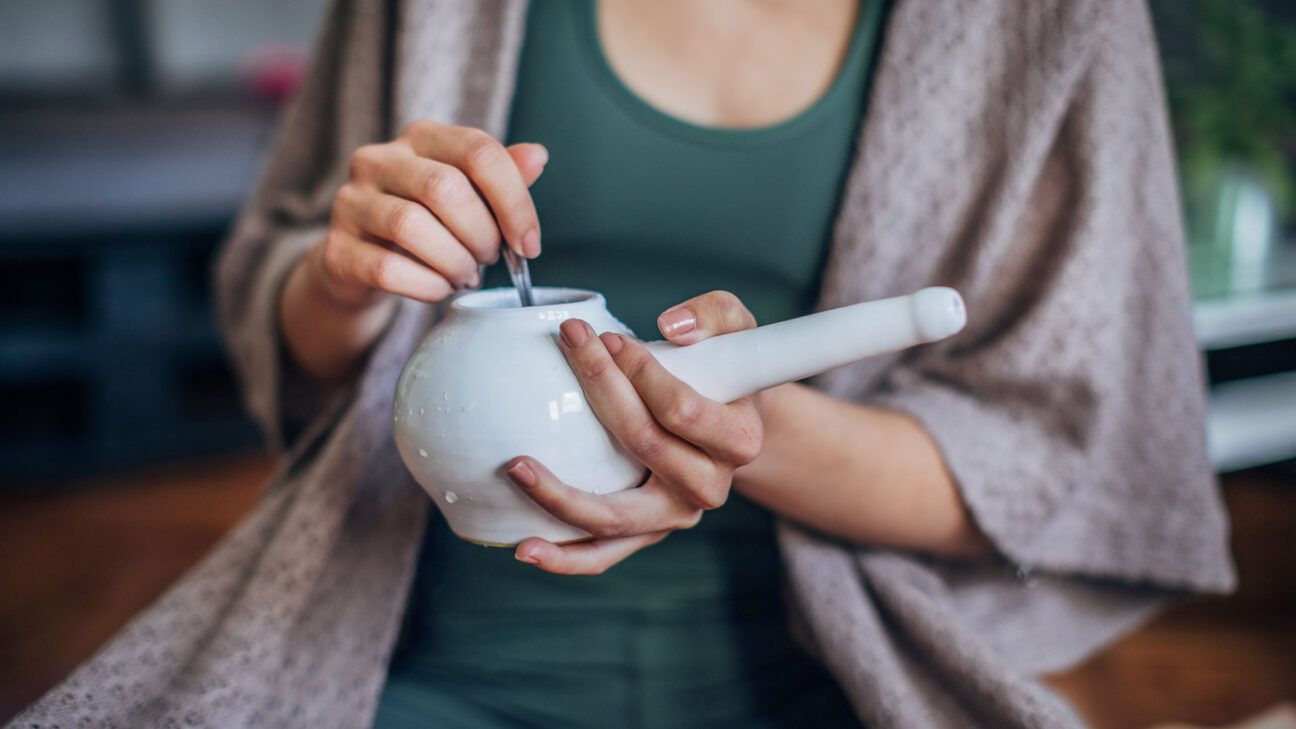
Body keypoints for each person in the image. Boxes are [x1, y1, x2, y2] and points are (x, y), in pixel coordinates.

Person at [10, 1, 1235, 727]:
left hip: (835, 681)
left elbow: (1068, 449)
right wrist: (343, 275)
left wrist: (760, 437)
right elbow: (288, 309)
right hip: (404, 657)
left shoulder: (1045, 24)